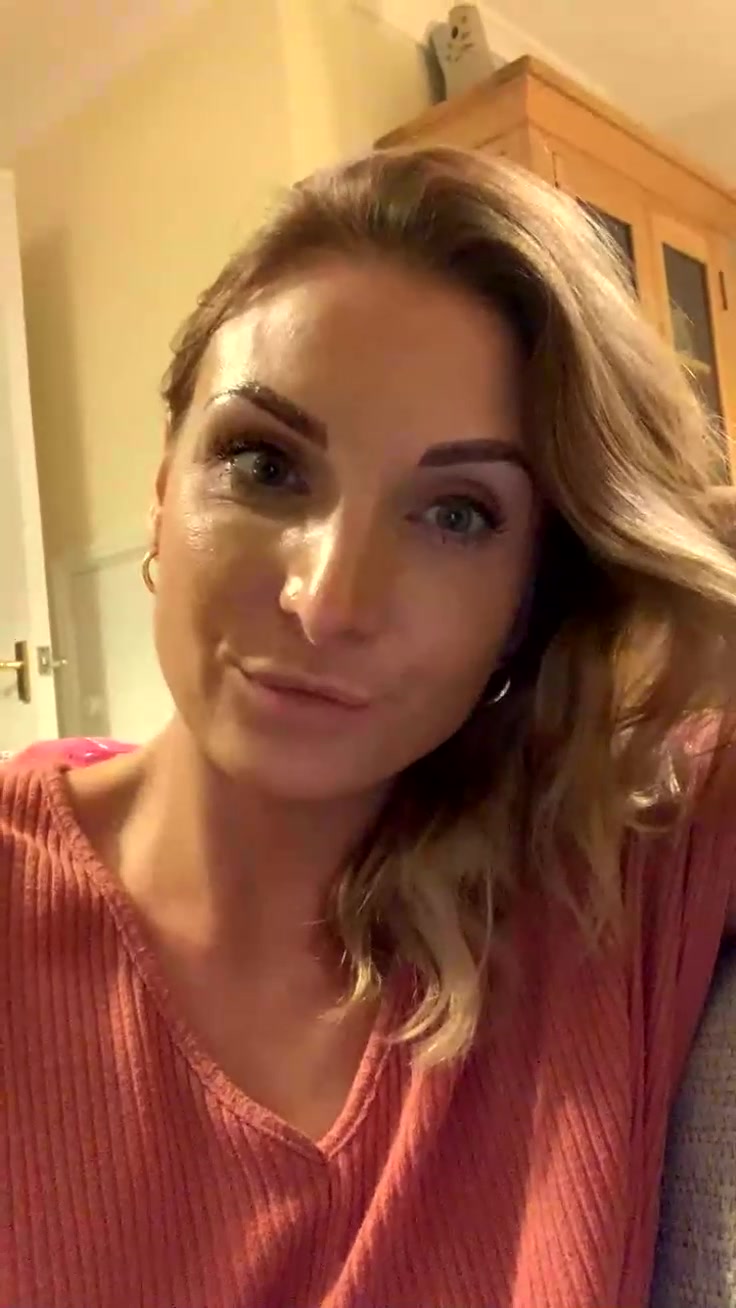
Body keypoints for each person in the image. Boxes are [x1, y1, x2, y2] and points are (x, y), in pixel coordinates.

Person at [3, 146, 736, 1308]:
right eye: (265, 464)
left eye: (456, 515)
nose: (327, 600)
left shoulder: (605, 878)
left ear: (529, 600)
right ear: (162, 491)